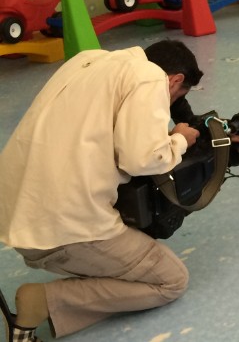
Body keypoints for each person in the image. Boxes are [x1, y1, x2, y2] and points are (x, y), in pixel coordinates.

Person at [0, 40, 203, 341]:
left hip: (15, 210)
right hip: (63, 227)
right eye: (175, 97)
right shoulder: (149, 76)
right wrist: (179, 140)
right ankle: (43, 301)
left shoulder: (89, 60)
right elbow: (142, 159)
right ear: (175, 80)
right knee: (172, 280)